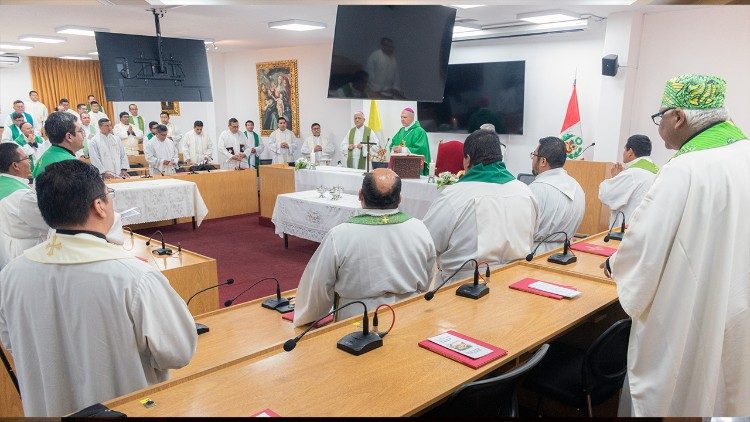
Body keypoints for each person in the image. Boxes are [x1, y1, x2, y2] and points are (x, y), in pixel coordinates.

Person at [0, 159, 197, 416]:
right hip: (124, 408)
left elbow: (12, 341)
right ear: (99, 206)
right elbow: (177, 351)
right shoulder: (133, 276)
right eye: (109, 195)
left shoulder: (11, 275)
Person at [604, 74, 750, 417]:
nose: (660, 127)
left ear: (678, 117)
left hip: (694, 307)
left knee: (684, 394)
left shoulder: (685, 169)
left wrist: (615, 265)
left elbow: (644, 246)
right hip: (740, 301)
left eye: (660, 118)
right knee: (730, 388)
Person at [294, 168, 436, 325]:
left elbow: (319, 287)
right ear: (400, 198)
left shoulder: (340, 235)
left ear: (360, 195)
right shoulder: (419, 228)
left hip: (357, 320)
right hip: (408, 315)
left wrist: (308, 318)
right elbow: (429, 275)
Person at [423, 130, 537, 282]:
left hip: (465, 285)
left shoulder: (454, 196)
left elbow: (427, 245)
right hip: (515, 281)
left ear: (468, 159)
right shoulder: (526, 192)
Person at [528, 136, 585, 253]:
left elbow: (521, 229)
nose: (532, 158)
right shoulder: (577, 186)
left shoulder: (537, 189)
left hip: (535, 254)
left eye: (534, 155)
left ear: (543, 161)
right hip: (565, 253)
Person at [0, 143, 46, 270]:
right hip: (25, 255)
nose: (30, 162)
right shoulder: (22, 196)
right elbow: (49, 221)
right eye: (27, 158)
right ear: (15, 165)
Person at [598, 135, 658, 227]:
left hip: (627, 232)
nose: (623, 153)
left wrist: (615, 177)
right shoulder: (657, 171)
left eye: (624, 149)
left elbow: (605, 195)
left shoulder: (632, 174)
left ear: (630, 152)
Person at [32, 111, 83, 178]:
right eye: (80, 131)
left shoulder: (47, 155)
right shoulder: (70, 164)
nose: (83, 135)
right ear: (69, 137)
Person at [390, 107, 431, 175]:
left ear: (412, 118)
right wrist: (394, 148)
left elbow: (421, 150)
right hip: (399, 167)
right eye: (401, 117)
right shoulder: (401, 130)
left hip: (414, 168)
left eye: (405, 117)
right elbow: (392, 144)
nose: (402, 119)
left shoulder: (419, 131)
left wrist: (403, 150)